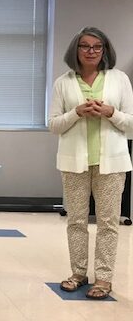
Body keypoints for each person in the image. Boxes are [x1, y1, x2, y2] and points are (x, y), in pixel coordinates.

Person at [49, 27, 133, 300]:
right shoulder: (63, 82)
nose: (91, 52)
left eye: (97, 47)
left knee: (108, 222)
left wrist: (111, 113)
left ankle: (104, 279)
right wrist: (76, 113)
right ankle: (78, 273)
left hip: (112, 164)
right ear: (76, 50)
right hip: (74, 164)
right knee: (76, 221)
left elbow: (131, 123)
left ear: (105, 50)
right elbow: (53, 125)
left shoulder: (119, 80)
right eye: (85, 46)